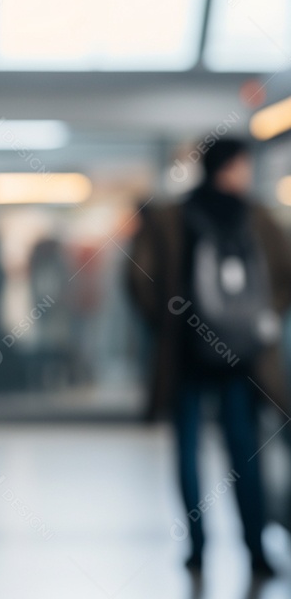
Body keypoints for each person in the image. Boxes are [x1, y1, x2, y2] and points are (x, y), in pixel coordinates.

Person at [127, 137, 291, 576]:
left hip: (186, 354)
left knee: (188, 451)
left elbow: (139, 279)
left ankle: (197, 548)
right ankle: (255, 549)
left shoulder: (170, 218)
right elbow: (284, 275)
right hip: (244, 357)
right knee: (245, 451)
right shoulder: (257, 217)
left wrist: (166, 324)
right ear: (233, 166)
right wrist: (263, 321)